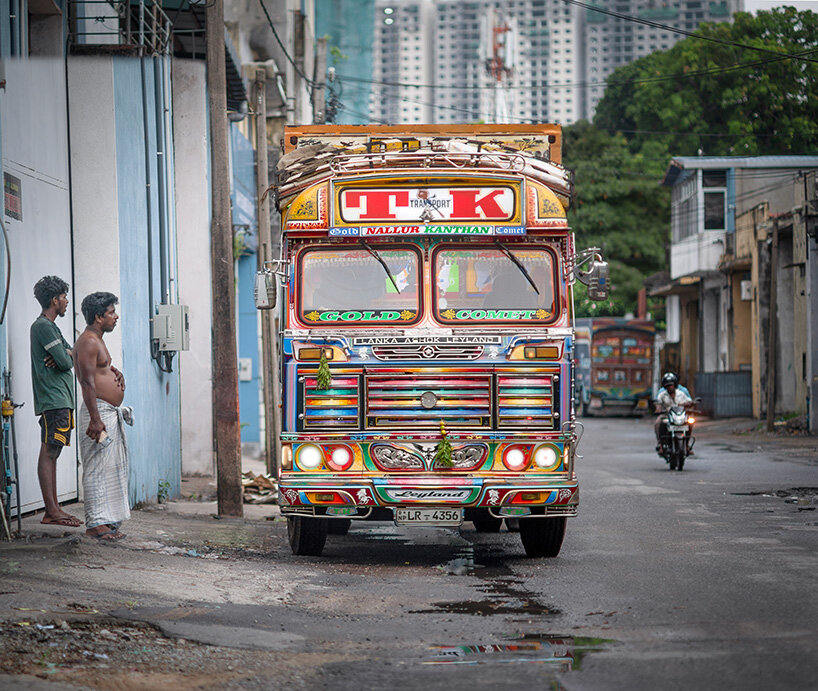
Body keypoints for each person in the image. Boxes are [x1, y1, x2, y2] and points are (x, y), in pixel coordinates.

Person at [73, 292, 129, 541]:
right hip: (97, 413)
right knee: (96, 468)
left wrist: (114, 372)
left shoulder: (96, 339)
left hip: (106, 412)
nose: (115, 316)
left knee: (110, 469)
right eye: (110, 312)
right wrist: (96, 419)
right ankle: (95, 524)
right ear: (98, 316)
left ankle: (106, 521)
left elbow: (99, 371)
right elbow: (86, 381)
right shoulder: (88, 341)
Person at [30, 276, 81, 528]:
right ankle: (51, 511)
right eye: (63, 297)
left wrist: (67, 354)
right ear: (54, 300)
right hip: (54, 399)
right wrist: (66, 356)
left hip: (61, 399)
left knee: (55, 451)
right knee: (49, 451)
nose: (66, 301)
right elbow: (65, 362)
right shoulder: (43, 327)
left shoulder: (53, 327)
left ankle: (55, 508)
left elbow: (74, 352)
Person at [654, 371, 693, 455]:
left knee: (690, 423)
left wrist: (687, 405)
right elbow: (658, 403)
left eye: (671, 385)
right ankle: (660, 444)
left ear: (675, 384)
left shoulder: (681, 393)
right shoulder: (662, 394)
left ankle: (686, 444)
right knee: (658, 423)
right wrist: (658, 408)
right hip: (666, 415)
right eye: (667, 385)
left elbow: (689, 402)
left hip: (680, 416)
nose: (670, 387)